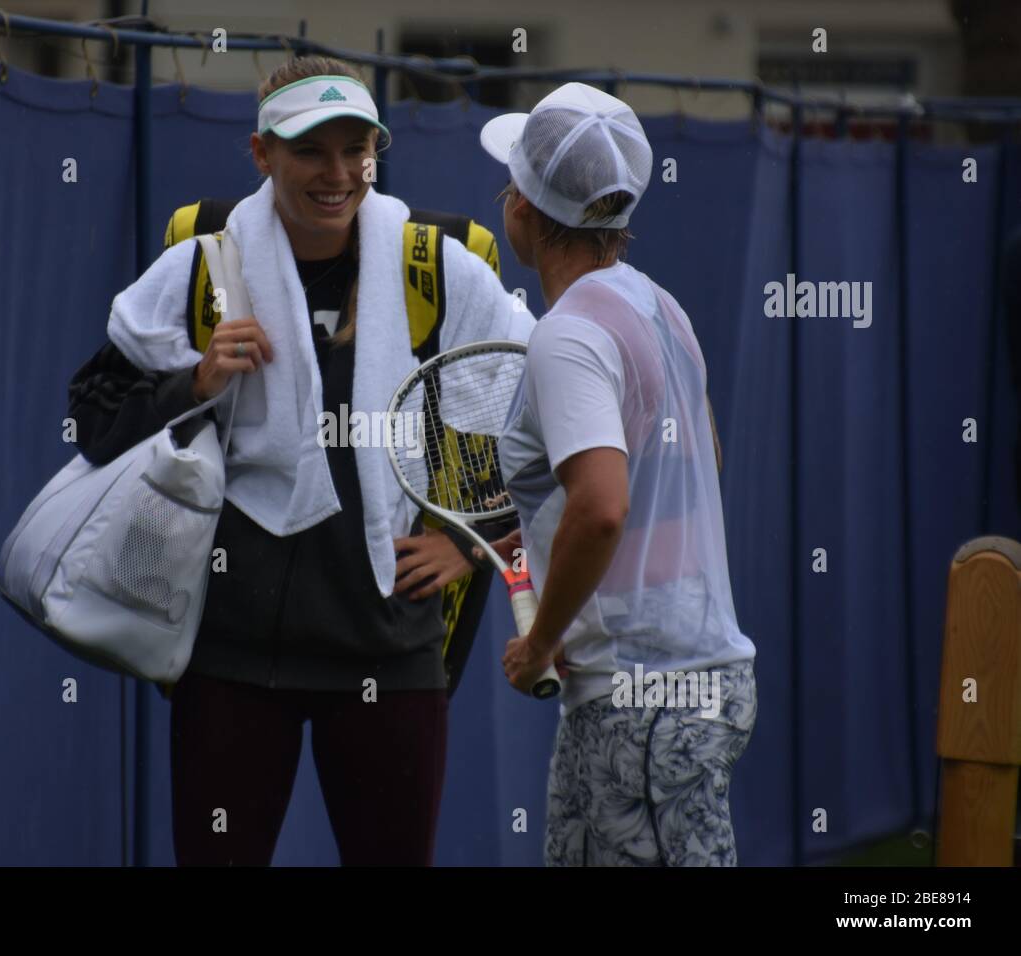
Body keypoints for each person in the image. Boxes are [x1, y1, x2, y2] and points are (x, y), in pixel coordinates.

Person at [67, 55, 533, 866]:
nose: (338, 173)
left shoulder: (437, 268)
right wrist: (197, 380)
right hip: (236, 657)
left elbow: (556, 415)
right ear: (261, 154)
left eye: (356, 150)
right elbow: (93, 419)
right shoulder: (202, 269)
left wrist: (474, 541)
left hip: (388, 653)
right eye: (311, 150)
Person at [479, 83, 758, 866]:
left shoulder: (566, 335)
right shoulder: (663, 309)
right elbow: (695, 472)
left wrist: (543, 638)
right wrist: (583, 612)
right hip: (661, 686)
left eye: (510, 185)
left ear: (524, 212)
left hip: (645, 702)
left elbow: (602, 510)